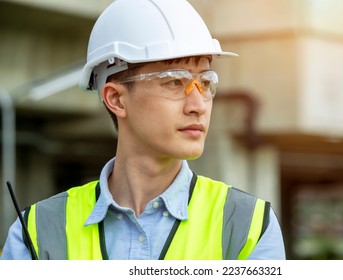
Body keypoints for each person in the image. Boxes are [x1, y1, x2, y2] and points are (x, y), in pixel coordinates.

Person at [1, 0, 285, 260]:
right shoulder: (36, 233)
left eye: (206, 82)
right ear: (116, 99)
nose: (199, 104)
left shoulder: (249, 225)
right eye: (175, 81)